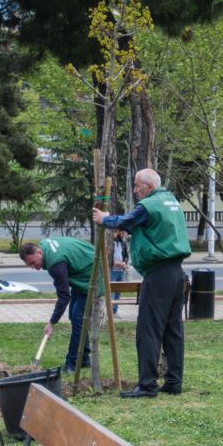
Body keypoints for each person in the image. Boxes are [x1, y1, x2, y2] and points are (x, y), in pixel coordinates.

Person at [92, 168, 190, 398]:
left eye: (138, 186)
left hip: (158, 274)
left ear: (150, 186)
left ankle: (147, 385)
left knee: (149, 329)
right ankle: (174, 382)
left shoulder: (148, 205)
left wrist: (104, 219)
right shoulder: (170, 201)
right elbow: (142, 225)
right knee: (173, 330)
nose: (135, 191)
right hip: (177, 274)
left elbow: (127, 220)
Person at [18, 237, 95, 373]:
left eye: (33, 263)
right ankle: (84, 359)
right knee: (75, 317)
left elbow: (64, 296)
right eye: (29, 265)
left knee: (78, 318)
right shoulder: (43, 244)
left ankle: (71, 364)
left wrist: (52, 323)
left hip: (91, 274)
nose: (34, 268)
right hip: (82, 268)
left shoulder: (55, 264)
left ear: (39, 252)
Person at [110, 230, 128, 315]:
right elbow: (107, 256)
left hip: (121, 271)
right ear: (117, 232)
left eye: (125, 233)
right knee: (111, 291)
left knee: (118, 291)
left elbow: (126, 256)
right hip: (112, 271)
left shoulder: (123, 244)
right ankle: (109, 311)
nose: (124, 235)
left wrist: (124, 262)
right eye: (122, 233)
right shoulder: (111, 242)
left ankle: (115, 311)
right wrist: (114, 263)